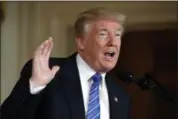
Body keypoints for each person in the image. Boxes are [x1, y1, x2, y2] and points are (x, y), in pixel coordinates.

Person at [1, 7, 131, 119]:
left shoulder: (121, 97)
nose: (113, 42)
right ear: (81, 42)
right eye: (103, 34)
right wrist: (36, 86)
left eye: (118, 35)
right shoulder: (48, 72)